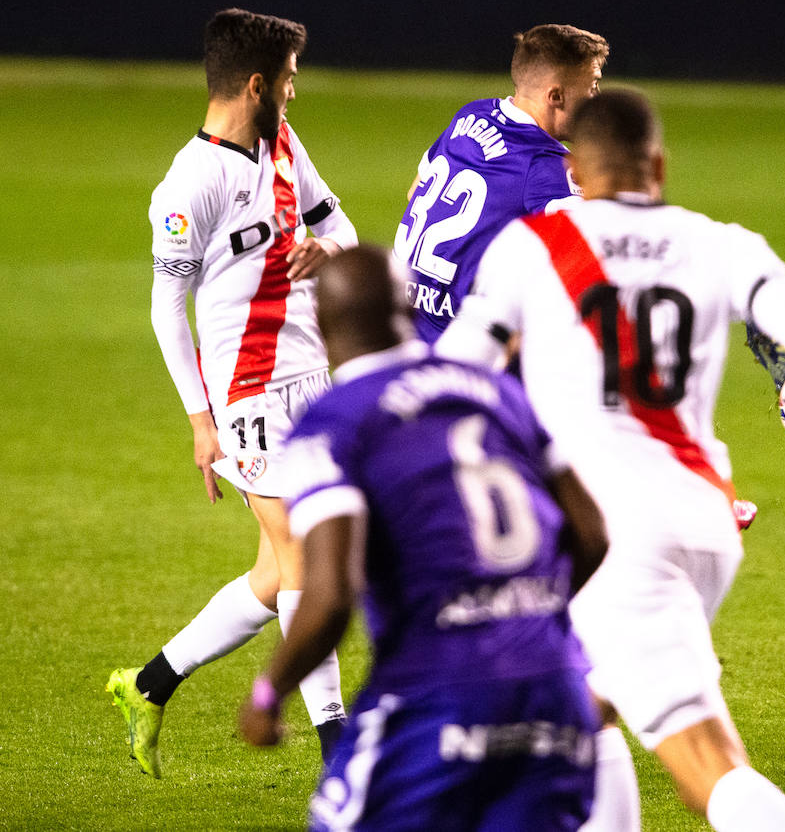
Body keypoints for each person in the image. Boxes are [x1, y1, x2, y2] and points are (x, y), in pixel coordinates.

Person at [436, 89, 785, 831]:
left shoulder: (534, 245)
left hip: (609, 538)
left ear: (574, 170)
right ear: (659, 164)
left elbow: (459, 372)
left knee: (708, 767)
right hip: (701, 522)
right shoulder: (721, 242)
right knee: (580, 716)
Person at [239, 244, 609, 831]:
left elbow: (330, 593)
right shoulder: (499, 392)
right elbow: (591, 534)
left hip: (435, 694)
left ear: (321, 325)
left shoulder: (333, 423)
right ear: (408, 309)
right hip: (554, 691)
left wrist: (268, 693)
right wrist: (529, 615)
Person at [107, 7, 356, 778]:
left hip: (313, 377)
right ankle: (337, 748)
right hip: (248, 396)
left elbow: (335, 221)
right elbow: (164, 308)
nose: (294, 92)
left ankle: (147, 684)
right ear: (257, 84)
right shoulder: (190, 183)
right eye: (288, 80)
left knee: (278, 576)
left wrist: (329, 248)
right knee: (308, 564)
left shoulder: (282, 142)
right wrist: (200, 421)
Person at [392, 23, 609, 343]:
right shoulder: (546, 165)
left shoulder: (470, 115)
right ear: (556, 96)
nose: (597, 98)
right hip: (454, 348)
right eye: (592, 86)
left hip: (399, 321)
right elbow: (598, 255)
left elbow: (415, 190)